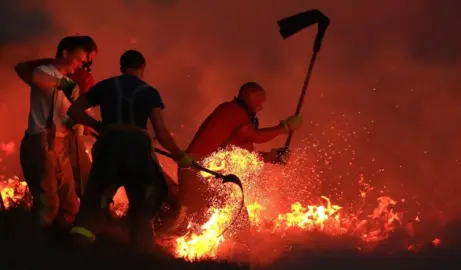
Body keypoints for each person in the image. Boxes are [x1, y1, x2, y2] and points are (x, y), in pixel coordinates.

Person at [67, 49, 193, 252]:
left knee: (92, 206)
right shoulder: (149, 93)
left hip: (109, 151)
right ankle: (139, 260)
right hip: (139, 155)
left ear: (121, 67)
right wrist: (180, 156)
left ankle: (75, 255)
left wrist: (100, 127)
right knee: (142, 212)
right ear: (142, 67)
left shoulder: (106, 86)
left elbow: (73, 111)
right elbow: (160, 132)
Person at [163, 81, 302, 236]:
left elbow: (245, 153)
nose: (261, 108)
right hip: (197, 170)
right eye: (260, 104)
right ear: (251, 101)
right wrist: (284, 128)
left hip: (199, 171)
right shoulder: (234, 112)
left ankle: (235, 250)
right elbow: (253, 136)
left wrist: (272, 157)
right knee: (200, 220)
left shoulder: (234, 116)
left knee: (227, 212)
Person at [17, 37, 88, 233]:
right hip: (41, 142)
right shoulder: (45, 72)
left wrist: (79, 124)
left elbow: (66, 113)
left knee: (71, 204)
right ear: (65, 53)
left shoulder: (70, 83)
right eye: (78, 59)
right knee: (48, 204)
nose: (81, 64)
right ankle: (38, 250)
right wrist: (63, 86)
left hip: (62, 146)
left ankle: (60, 248)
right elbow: (39, 79)